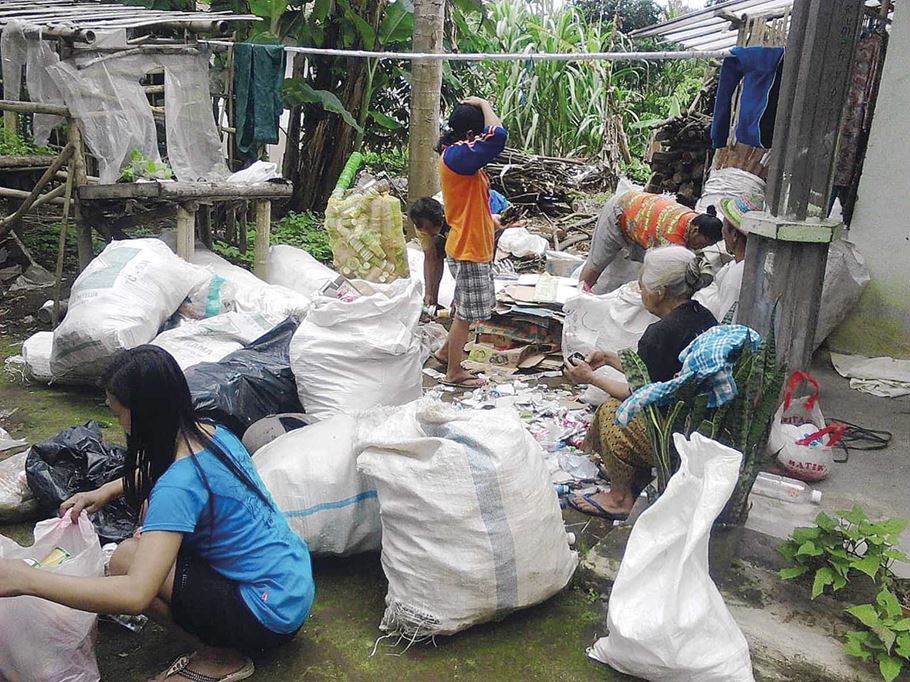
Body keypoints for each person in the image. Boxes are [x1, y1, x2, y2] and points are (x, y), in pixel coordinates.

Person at [0, 346, 314, 682]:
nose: (117, 420)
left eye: (118, 411)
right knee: (140, 541)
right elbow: (161, 469)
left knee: (126, 561)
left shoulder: (177, 487)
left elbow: (136, 594)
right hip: (291, 584)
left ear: (142, 413)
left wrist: (26, 580)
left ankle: (221, 659)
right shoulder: (211, 433)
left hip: (266, 614)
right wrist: (106, 490)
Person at [564, 246, 717, 519]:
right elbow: (656, 373)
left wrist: (590, 378)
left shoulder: (660, 333)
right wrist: (610, 359)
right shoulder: (702, 316)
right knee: (614, 408)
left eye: (643, 283)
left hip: (675, 434)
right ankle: (632, 475)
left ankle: (620, 498)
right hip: (700, 425)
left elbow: (637, 393)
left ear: (660, 292)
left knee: (613, 412)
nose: (640, 289)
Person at [435, 96, 508, 388]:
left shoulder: (458, 155)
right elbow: (498, 135)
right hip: (468, 246)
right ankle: (454, 372)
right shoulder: (456, 155)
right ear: (469, 135)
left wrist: (492, 222)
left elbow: (469, 203)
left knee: (466, 310)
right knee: (466, 315)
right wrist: (485, 103)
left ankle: (444, 354)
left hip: (470, 241)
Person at [579, 189, 724, 294]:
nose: (700, 248)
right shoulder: (671, 239)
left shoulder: (696, 219)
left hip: (639, 213)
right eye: (702, 243)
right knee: (596, 264)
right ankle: (578, 300)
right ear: (695, 230)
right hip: (619, 211)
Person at [408, 193, 509, 313]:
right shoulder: (421, 223)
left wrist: (459, 296)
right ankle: (432, 303)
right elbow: (431, 257)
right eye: (425, 230)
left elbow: (466, 262)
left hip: (493, 212)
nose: (428, 233)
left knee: (482, 262)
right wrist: (429, 293)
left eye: (432, 230)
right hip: (456, 219)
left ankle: (485, 305)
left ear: (442, 220)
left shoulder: (459, 221)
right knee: (438, 249)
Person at [694, 192, 764, 320]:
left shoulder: (737, 277)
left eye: (724, 228)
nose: (722, 233)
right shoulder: (738, 265)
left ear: (734, 235)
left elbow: (727, 324)